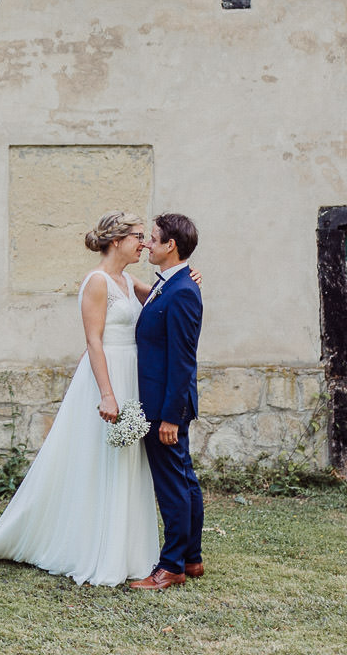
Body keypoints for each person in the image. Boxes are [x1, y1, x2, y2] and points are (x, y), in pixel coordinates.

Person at [0, 212, 160, 586]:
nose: (144, 243)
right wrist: (107, 394)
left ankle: (127, 550)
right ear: (117, 240)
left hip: (130, 373)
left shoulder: (125, 279)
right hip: (107, 377)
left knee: (126, 461)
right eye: (138, 236)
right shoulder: (97, 282)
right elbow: (94, 341)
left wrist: (187, 276)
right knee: (99, 460)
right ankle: (92, 548)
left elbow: (159, 298)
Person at [129, 212, 206, 591]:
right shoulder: (172, 285)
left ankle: (172, 565)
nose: (147, 244)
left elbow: (182, 360)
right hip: (164, 403)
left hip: (165, 407)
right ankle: (191, 558)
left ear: (170, 245)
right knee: (184, 479)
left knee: (172, 485)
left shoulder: (183, 291)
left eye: (153, 238)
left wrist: (170, 418)